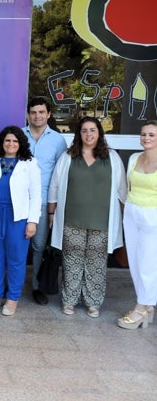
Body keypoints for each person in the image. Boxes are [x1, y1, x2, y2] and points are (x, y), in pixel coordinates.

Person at [48, 116, 126, 318]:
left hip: (102, 223)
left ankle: (93, 302)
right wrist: (51, 214)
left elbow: (122, 191)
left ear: (99, 132)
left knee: (97, 264)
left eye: (92, 130)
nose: (89, 134)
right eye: (84, 130)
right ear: (78, 134)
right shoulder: (68, 156)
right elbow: (55, 187)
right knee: (71, 262)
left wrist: (126, 219)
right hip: (71, 221)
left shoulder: (112, 158)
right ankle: (69, 301)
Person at [0, 126, 41, 316]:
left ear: (20, 144)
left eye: (15, 141)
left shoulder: (30, 163)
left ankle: (12, 298)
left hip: (18, 217)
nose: (11, 144)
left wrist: (32, 221)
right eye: (7, 141)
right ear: (1, 143)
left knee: (16, 259)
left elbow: (36, 195)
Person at [22, 97, 67, 306]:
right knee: (16, 245)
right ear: (28, 114)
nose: (37, 116)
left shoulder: (57, 140)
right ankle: (13, 284)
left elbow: (60, 175)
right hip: (18, 200)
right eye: (33, 112)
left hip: (42, 201)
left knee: (39, 245)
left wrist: (53, 208)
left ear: (48, 114)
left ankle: (37, 287)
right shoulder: (19, 136)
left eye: (41, 112)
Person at [118, 120, 157, 329]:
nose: (146, 138)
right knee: (135, 261)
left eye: (151, 135)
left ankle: (141, 308)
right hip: (132, 212)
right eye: (144, 134)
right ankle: (148, 304)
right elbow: (127, 186)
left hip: (153, 215)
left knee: (148, 264)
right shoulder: (134, 158)